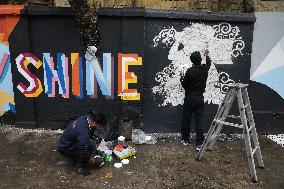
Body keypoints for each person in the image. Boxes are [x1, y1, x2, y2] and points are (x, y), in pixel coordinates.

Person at [180, 49, 211, 151]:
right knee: (199, 121)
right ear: (199, 59)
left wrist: (181, 76)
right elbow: (208, 63)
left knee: (186, 120)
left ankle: (185, 139)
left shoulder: (189, 71)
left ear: (192, 60)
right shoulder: (204, 69)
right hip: (199, 99)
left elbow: (184, 85)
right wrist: (207, 54)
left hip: (189, 99)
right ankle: (199, 144)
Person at [58, 110, 107, 175]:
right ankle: (80, 166)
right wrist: (92, 160)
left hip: (67, 142)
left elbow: (89, 133)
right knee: (88, 146)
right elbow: (82, 148)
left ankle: (76, 156)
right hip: (65, 148)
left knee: (92, 143)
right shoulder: (83, 132)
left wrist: (96, 149)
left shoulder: (84, 118)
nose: (99, 128)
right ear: (94, 123)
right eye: (99, 126)